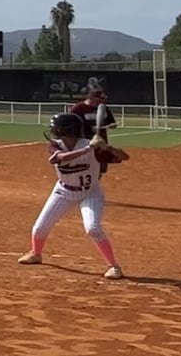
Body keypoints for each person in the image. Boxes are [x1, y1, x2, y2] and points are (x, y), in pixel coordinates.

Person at [19, 112, 124, 280]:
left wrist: (107, 147)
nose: (54, 131)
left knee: (93, 228)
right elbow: (59, 158)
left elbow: (124, 157)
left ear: (66, 130)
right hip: (63, 191)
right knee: (39, 228)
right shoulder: (57, 145)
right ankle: (36, 253)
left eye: (57, 129)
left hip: (90, 193)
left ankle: (114, 266)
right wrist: (88, 149)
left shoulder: (92, 147)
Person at [70, 86, 118, 175]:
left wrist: (108, 126)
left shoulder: (104, 108)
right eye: (100, 98)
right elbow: (70, 125)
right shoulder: (78, 108)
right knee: (84, 166)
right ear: (92, 97)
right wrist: (88, 128)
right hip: (85, 141)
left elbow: (112, 122)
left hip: (101, 141)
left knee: (100, 167)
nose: (103, 101)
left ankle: (95, 182)